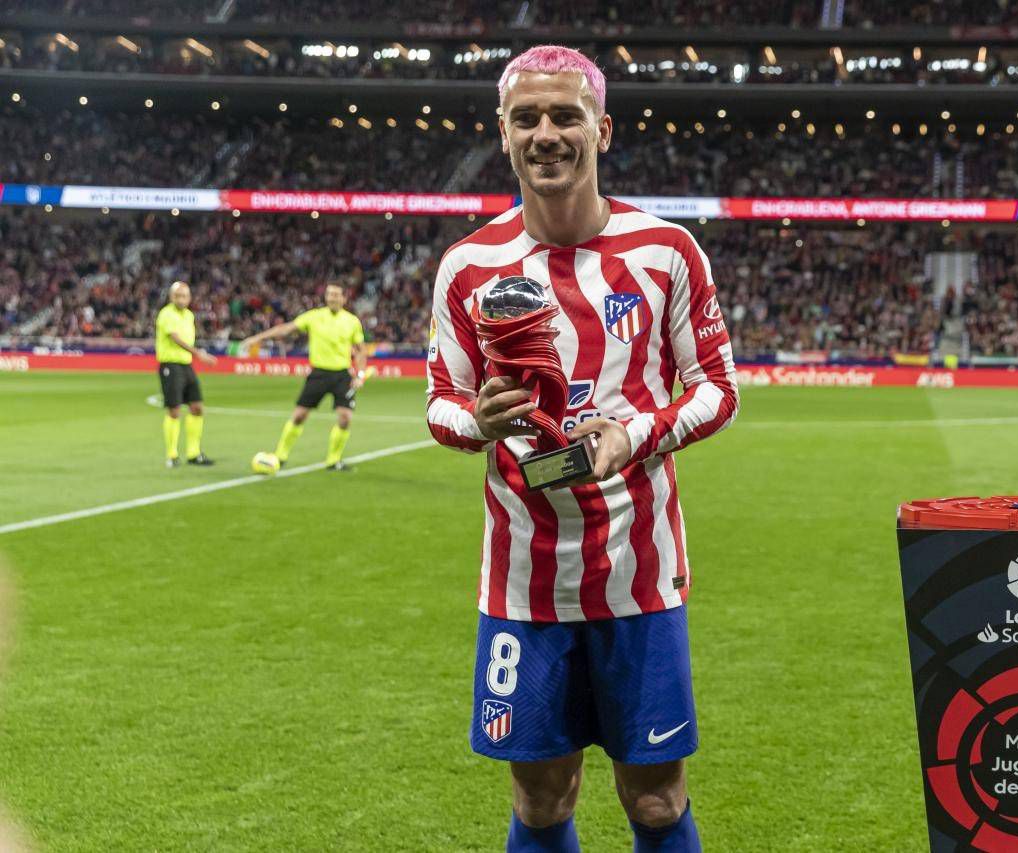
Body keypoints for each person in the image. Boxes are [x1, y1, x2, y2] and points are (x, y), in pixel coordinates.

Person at [424, 45, 738, 852]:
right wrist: (483, 422)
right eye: (526, 118)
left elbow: (717, 389)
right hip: (522, 582)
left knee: (658, 798)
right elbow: (441, 408)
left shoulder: (666, 251)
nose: (546, 133)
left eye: (565, 115)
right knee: (540, 796)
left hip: (640, 575)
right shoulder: (467, 267)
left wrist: (632, 434)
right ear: (502, 134)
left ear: (602, 128)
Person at [240, 282, 367, 471]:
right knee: (299, 415)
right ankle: (280, 456)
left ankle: (333, 460)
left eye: (336, 295)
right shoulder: (314, 317)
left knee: (345, 418)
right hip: (318, 373)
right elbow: (285, 329)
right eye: (329, 294)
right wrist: (257, 339)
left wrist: (361, 374)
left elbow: (361, 350)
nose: (332, 298)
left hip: (342, 374)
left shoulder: (352, 321)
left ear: (344, 298)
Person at [155, 280, 216, 467]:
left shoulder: (189, 315)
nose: (181, 299)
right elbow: (175, 338)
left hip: (186, 365)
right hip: (170, 364)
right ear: (171, 297)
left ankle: (193, 453)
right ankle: (172, 455)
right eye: (178, 296)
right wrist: (198, 354)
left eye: (185, 296)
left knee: (197, 407)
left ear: (189, 298)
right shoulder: (166, 314)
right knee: (174, 410)